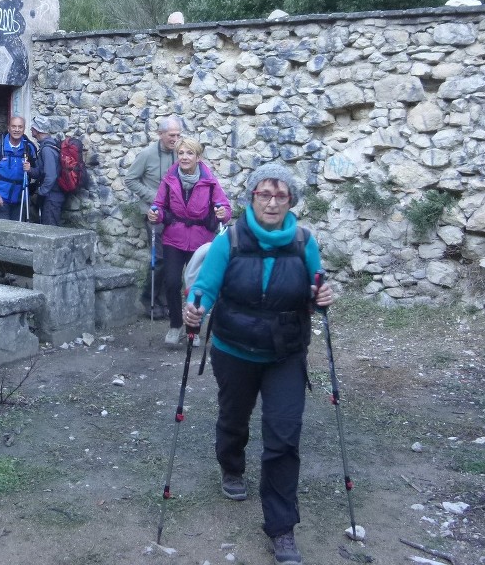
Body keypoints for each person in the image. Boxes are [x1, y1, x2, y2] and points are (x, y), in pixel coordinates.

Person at [183, 162, 335, 565]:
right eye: (263, 194)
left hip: (285, 352)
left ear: (290, 201)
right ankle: (232, 467)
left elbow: (316, 284)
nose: (271, 202)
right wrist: (194, 309)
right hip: (234, 349)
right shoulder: (229, 240)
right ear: (251, 197)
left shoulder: (303, 241)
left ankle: (281, 528)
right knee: (234, 418)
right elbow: (205, 287)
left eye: (280, 195)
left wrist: (321, 295)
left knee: (284, 437)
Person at [147, 137, 231, 345]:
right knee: (172, 282)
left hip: (201, 240)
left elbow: (224, 208)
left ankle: (194, 328)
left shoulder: (209, 182)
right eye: (181, 153)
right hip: (173, 238)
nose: (184, 157)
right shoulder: (169, 180)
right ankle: (175, 325)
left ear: (198, 157)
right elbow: (159, 205)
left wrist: (223, 213)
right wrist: (154, 213)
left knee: (197, 286)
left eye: (189, 153)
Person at [125, 115, 183, 318]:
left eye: (178, 135)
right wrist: (154, 197)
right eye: (171, 135)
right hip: (154, 214)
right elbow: (130, 179)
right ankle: (148, 299)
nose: (175, 139)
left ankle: (166, 302)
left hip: (176, 215)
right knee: (159, 259)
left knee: (173, 259)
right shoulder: (147, 154)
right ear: (160, 134)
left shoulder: (181, 153)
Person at [0, 115, 37, 221]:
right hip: (0, 200)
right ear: (9, 128)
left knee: (17, 234)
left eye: (20, 127)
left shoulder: (29, 148)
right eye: (14, 126)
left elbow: (39, 173)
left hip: (20, 200)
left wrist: (30, 170)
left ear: (24, 129)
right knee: (1, 234)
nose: (17, 130)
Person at [27, 114, 66, 226]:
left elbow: (50, 175)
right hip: (52, 196)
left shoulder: (47, 150)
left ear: (37, 130)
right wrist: (30, 170)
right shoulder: (47, 147)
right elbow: (41, 172)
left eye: (32, 127)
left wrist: (41, 192)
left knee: (50, 232)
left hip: (51, 198)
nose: (30, 129)